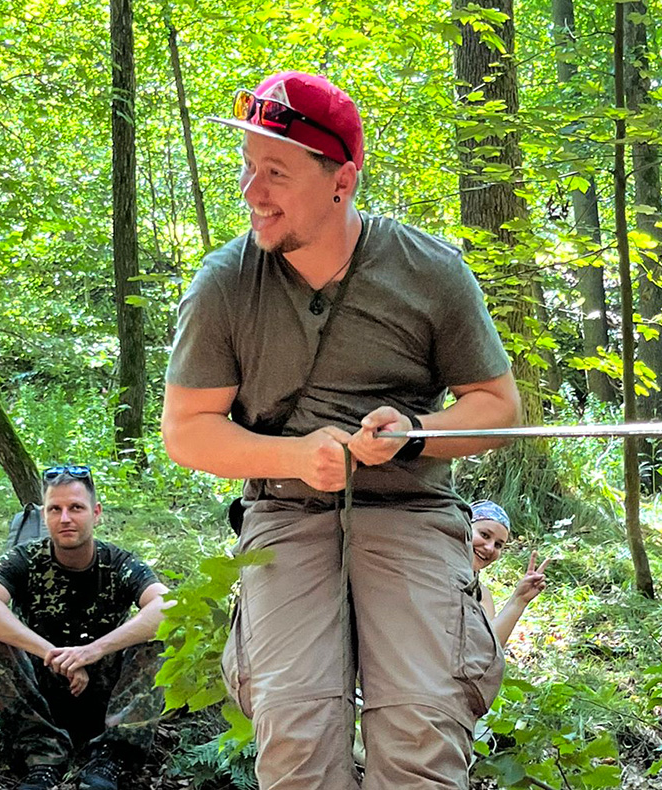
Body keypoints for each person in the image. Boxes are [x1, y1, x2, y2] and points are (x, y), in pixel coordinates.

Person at [162, 71, 521, 790]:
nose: (252, 191)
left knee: (422, 732)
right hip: (285, 515)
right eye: (247, 167)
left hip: (412, 511)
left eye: (275, 172)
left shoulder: (430, 272)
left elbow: (496, 407)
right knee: (296, 740)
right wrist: (296, 457)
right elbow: (188, 430)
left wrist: (416, 432)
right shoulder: (224, 284)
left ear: (342, 181)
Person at [0, 466, 169, 790]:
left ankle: (113, 754)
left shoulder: (118, 562)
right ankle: (41, 755)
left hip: (104, 691)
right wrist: (56, 655)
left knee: (158, 636)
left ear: (96, 513)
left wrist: (91, 652)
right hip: (41, 686)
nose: (65, 519)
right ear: (44, 516)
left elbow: (168, 607)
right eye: (54, 509)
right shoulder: (25, 559)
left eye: (76, 508)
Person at [468, 500, 550, 646]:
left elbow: (487, 648)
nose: (489, 548)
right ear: (464, 528)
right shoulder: (430, 570)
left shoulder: (482, 595)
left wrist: (520, 599)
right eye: (485, 535)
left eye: (498, 545)